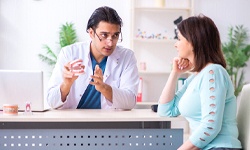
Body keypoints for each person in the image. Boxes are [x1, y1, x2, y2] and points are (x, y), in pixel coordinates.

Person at [157, 14, 242, 150]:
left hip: (219, 147)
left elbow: (210, 126)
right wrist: (175, 73)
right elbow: (165, 111)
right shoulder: (196, 77)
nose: (175, 44)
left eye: (179, 39)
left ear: (193, 41)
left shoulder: (213, 73)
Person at [47, 6, 139, 109]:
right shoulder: (69, 53)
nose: (110, 42)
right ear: (91, 33)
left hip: (108, 122)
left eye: (115, 35)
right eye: (104, 35)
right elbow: (51, 101)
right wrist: (66, 85)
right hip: (73, 122)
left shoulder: (127, 57)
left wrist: (104, 88)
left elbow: (130, 102)